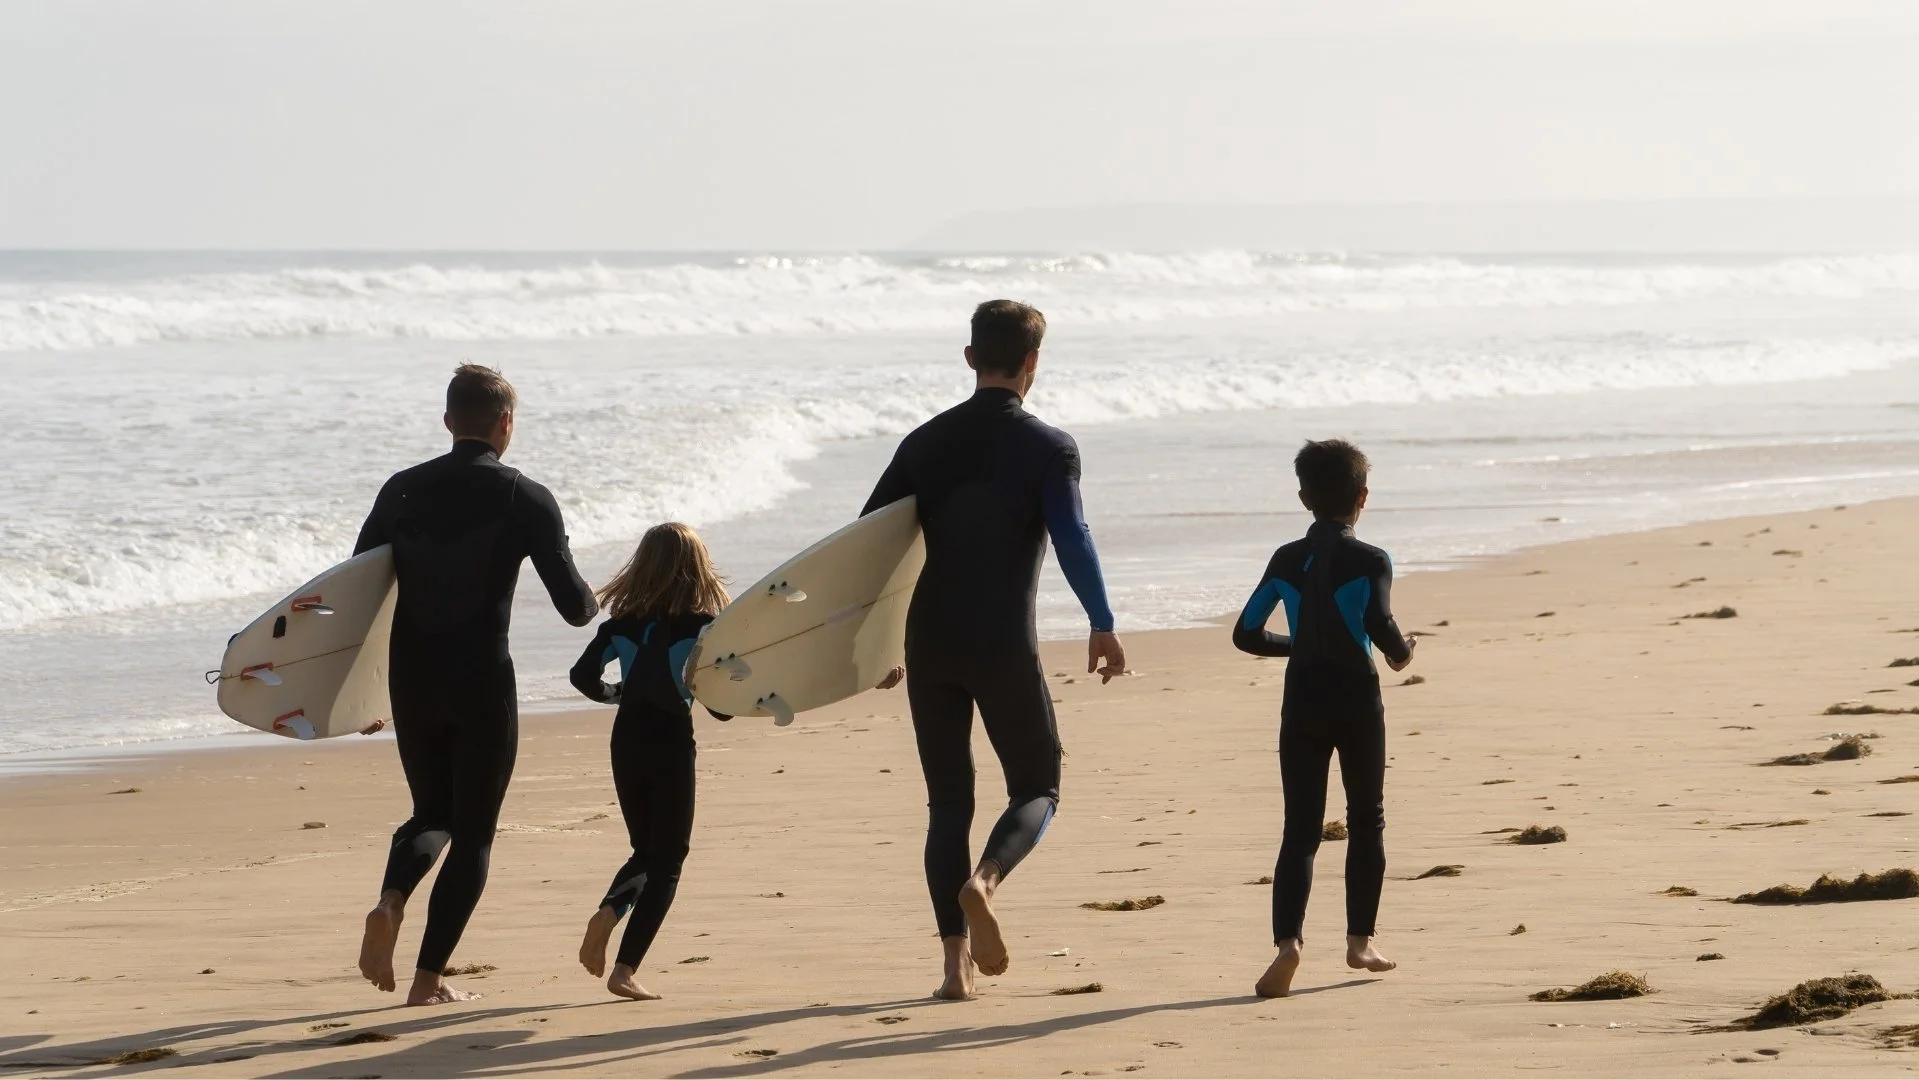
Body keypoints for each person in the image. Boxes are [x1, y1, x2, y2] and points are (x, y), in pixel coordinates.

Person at [862, 299, 1127, 1001]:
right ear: (1032, 362)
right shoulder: (1049, 446)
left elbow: (869, 544)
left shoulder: (922, 443)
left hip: (930, 642)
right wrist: (1100, 621)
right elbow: (1072, 536)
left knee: (947, 804)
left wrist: (874, 641)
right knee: (1036, 785)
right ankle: (984, 882)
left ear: (970, 358)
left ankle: (954, 968)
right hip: (1002, 642)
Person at [353, 363, 599, 1006]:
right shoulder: (525, 496)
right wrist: (599, 596)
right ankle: (427, 980)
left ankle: (390, 899)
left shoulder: (400, 489)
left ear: (447, 421)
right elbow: (575, 606)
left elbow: (358, 588)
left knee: (430, 814)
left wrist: (355, 689)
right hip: (481, 679)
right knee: (476, 832)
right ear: (506, 424)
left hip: (411, 676)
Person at [1231, 438, 1415, 998]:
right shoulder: (1372, 559)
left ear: (1304, 496)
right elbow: (1381, 625)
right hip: (1358, 700)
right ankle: (1360, 941)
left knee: (1300, 830)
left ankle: (1288, 944)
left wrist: (1300, 644)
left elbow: (1246, 633)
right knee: (1367, 819)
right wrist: (1403, 652)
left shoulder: (1286, 558)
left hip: (1302, 702)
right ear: (1363, 497)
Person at [569, 522, 731, 1001]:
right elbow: (720, 706)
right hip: (671, 742)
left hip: (627, 741)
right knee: (670, 860)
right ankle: (624, 968)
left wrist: (618, 692)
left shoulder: (619, 626)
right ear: (697, 570)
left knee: (645, 849)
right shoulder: (705, 629)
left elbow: (582, 676)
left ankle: (609, 912)